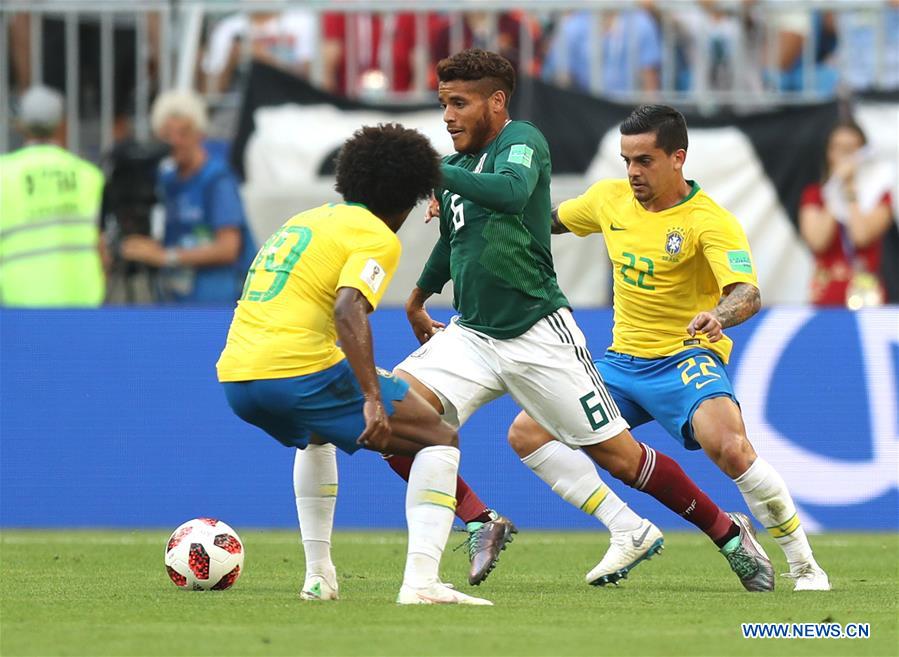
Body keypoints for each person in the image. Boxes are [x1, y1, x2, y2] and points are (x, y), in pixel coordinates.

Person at [379, 49, 773, 592]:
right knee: (391, 418)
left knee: (619, 456)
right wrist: (419, 297)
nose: (447, 115)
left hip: (539, 333)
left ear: (496, 102)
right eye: (443, 103)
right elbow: (455, 240)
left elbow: (514, 193)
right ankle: (475, 524)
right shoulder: (462, 167)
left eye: (459, 103)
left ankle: (725, 530)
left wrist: (436, 173)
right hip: (471, 333)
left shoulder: (521, 142)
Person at [507, 104, 831, 592]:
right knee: (526, 433)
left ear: (677, 158)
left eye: (645, 160)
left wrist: (716, 316)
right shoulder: (608, 200)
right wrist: (480, 207)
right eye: (627, 160)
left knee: (730, 448)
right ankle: (626, 527)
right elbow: (545, 221)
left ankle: (805, 566)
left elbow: (748, 293)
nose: (633, 172)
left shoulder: (709, 220)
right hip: (619, 363)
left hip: (685, 357)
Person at [216, 123, 490, 606]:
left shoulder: (305, 221)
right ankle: (422, 583)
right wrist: (371, 398)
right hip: (296, 370)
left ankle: (319, 577)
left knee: (315, 432)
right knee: (439, 437)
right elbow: (348, 309)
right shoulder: (376, 235)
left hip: (238, 376)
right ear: (409, 195)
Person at [120, 90, 255, 303]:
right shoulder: (167, 180)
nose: (175, 142)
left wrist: (165, 257)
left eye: (183, 133)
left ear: (200, 133)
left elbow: (229, 247)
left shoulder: (217, 179)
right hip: (177, 300)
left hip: (216, 303)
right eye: (167, 135)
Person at [0, 86, 106, 307]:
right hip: (81, 300)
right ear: (62, 124)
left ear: (19, 125)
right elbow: (100, 243)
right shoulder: (88, 174)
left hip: (18, 301)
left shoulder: (4, 173)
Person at [799, 119, 894, 308]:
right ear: (828, 152)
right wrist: (834, 188)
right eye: (838, 148)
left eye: (851, 149)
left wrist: (850, 190)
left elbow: (861, 236)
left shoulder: (880, 195)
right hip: (826, 292)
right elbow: (817, 241)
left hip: (865, 292)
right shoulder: (814, 195)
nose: (844, 155)